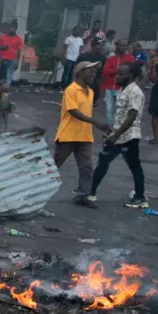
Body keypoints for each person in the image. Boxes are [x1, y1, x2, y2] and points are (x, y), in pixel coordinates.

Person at [88, 61, 148, 208]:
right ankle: (90, 193)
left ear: (131, 76)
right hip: (118, 135)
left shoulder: (135, 92)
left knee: (133, 166)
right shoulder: (123, 89)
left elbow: (132, 115)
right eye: (117, 73)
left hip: (128, 137)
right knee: (104, 160)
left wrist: (116, 135)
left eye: (121, 74)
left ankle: (140, 197)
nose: (117, 77)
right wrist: (112, 132)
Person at [53, 60, 107, 207]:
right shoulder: (71, 89)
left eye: (94, 71)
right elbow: (73, 111)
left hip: (84, 135)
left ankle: (83, 195)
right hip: (69, 134)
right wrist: (95, 122)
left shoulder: (90, 92)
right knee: (54, 165)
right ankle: (35, 190)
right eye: (90, 71)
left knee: (87, 167)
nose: (93, 74)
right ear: (79, 73)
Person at [100, 39, 135, 127]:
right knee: (109, 110)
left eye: (124, 45)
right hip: (109, 87)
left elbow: (132, 73)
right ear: (117, 46)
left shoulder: (131, 58)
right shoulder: (111, 58)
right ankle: (110, 129)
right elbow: (105, 71)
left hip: (123, 89)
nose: (123, 47)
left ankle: (118, 129)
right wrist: (117, 71)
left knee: (121, 110)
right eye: (121, 45)